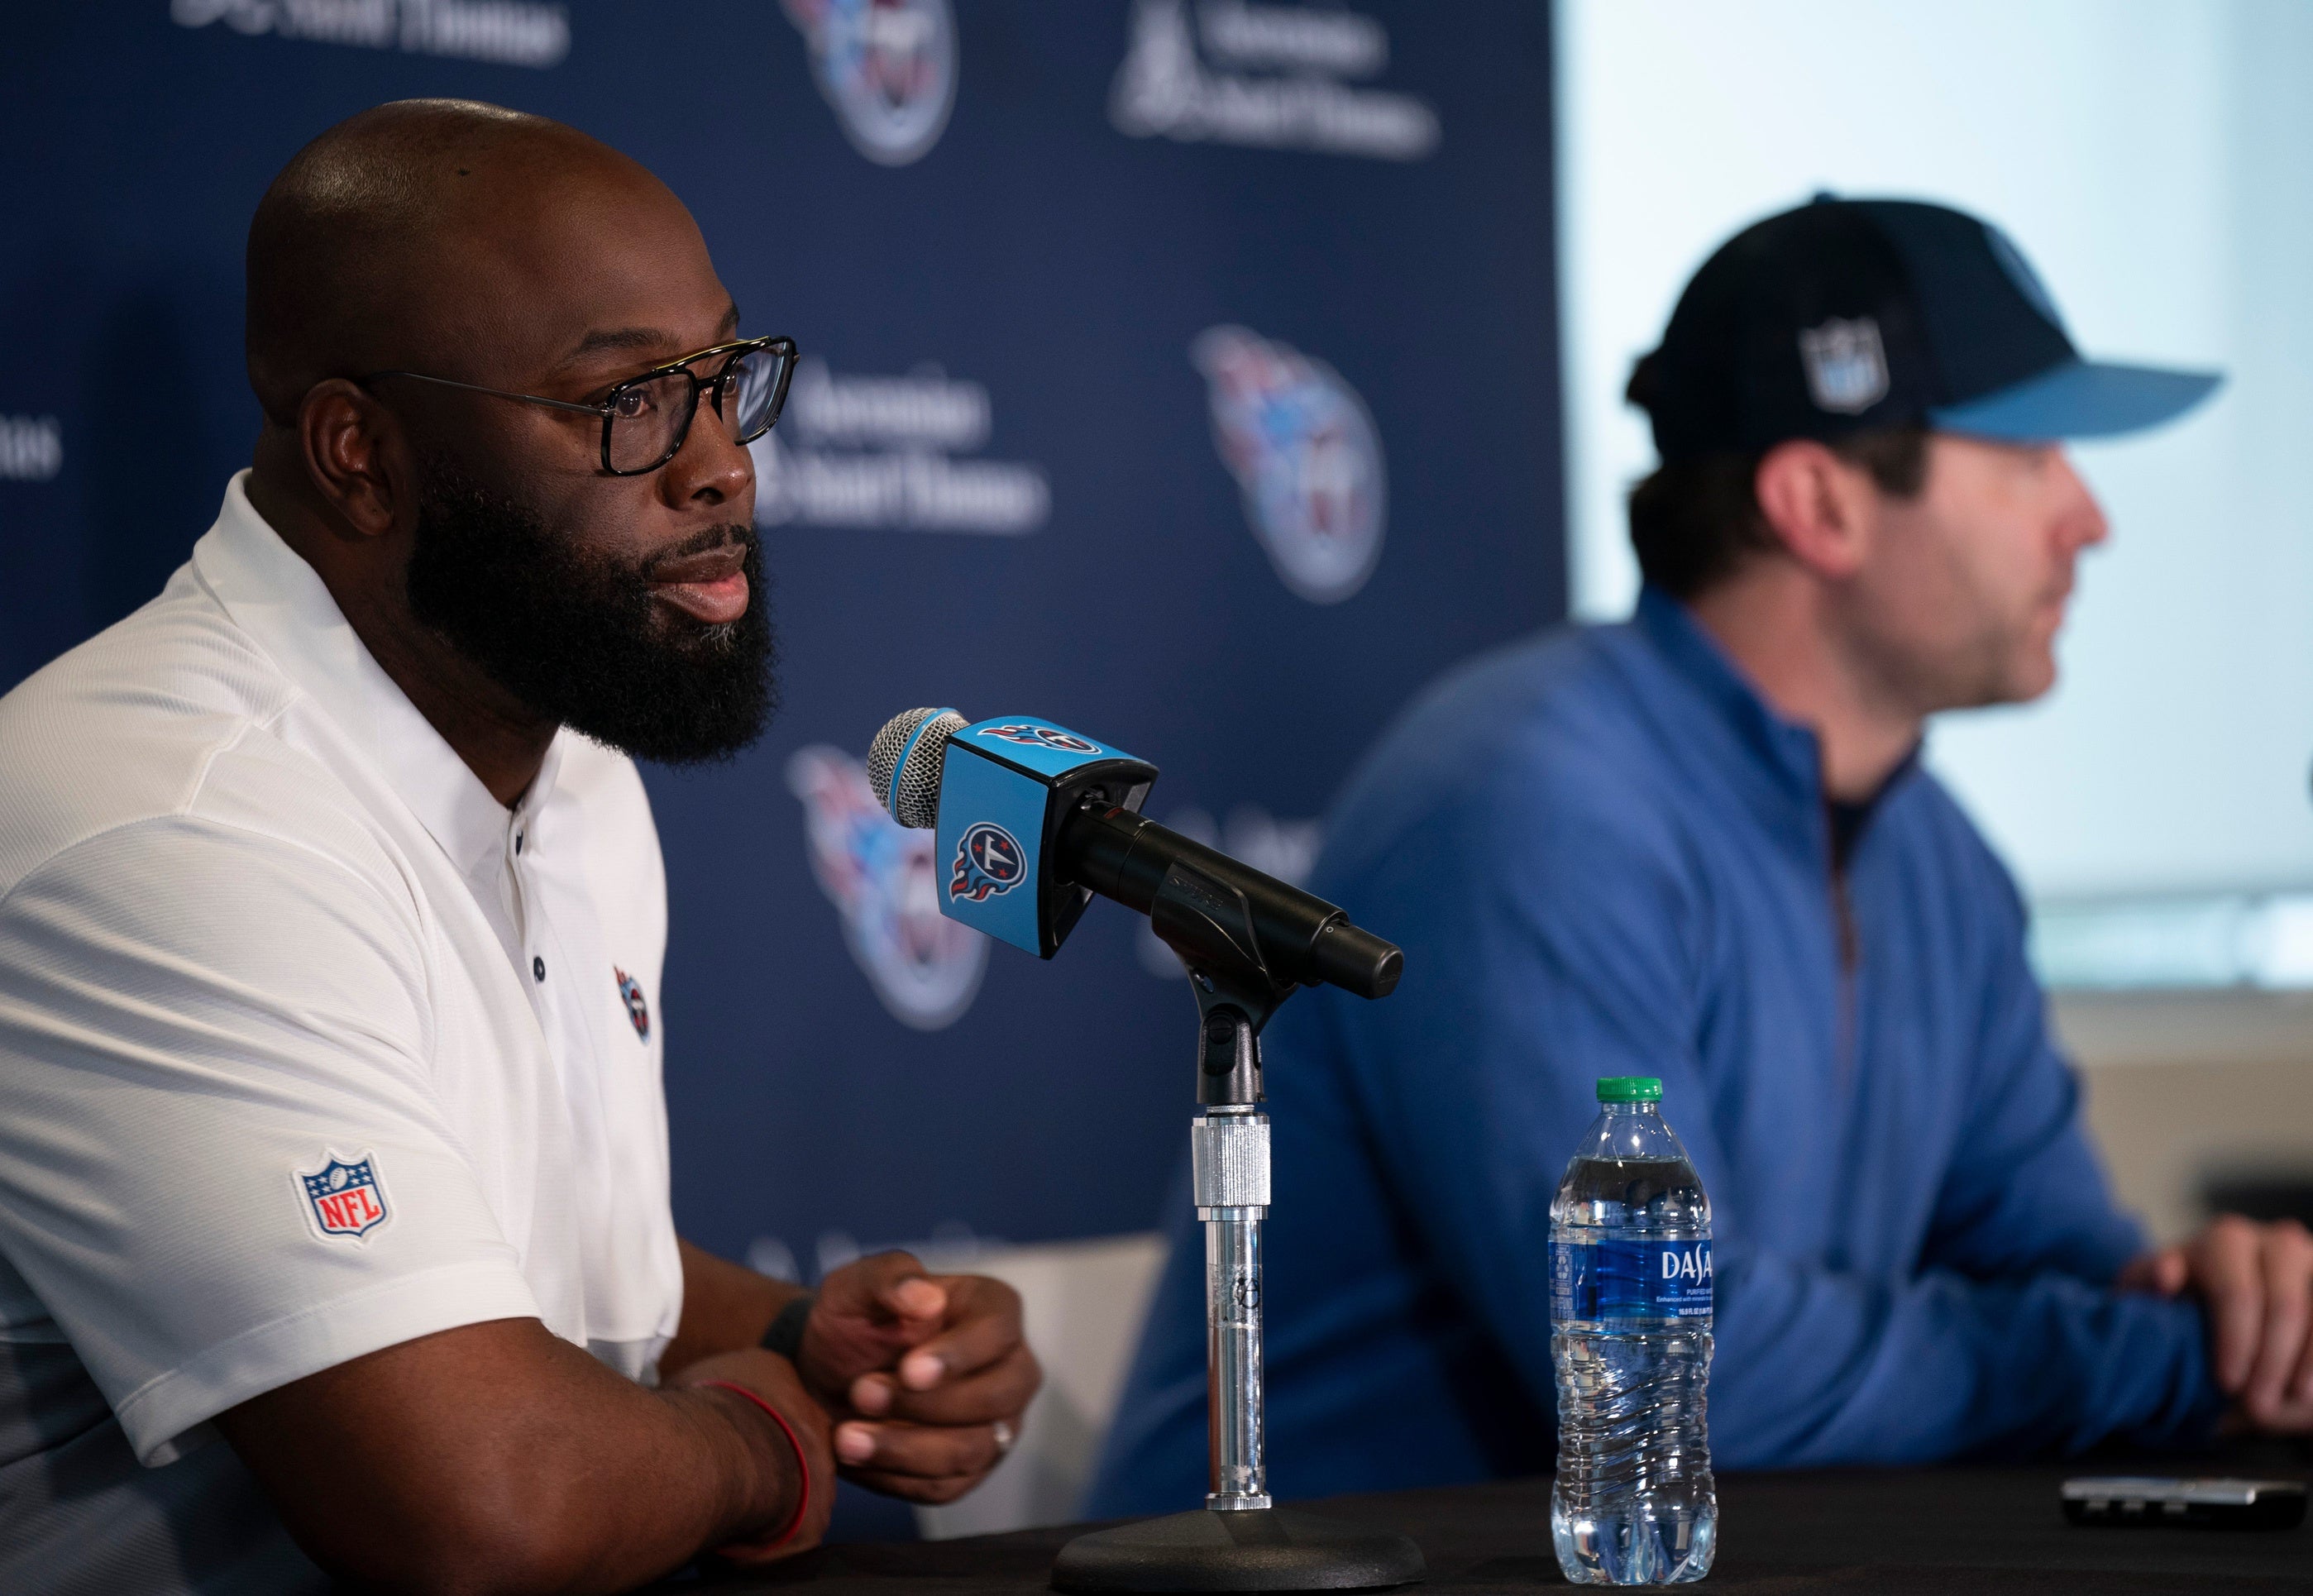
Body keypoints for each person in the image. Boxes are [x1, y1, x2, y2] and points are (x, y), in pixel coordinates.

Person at [1092, 194, 2313, 1513]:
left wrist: (2230, 1306)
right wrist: (2169, 1356)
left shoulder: (1939, 859)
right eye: (2025, 456)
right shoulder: (1529, 799)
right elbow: (1668, 1372)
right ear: (1818, 504)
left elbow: (2064, 1278)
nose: (2087, 519)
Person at [0, 101, 1037, 1594]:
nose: (719, 468)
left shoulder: (568, 747)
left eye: (723, 378)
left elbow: (497, 1240)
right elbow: (480, 1502)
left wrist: (808, 1339)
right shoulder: (169, 823)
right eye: (622, 401)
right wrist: (772, 1436)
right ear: (363, 453)